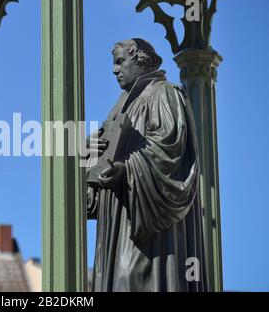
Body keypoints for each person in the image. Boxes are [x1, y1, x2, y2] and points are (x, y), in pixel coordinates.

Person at [86, 38, 208, 291]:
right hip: (118, 224)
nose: (114, 70)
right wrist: (89, 159)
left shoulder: (165, 93)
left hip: (150, 232)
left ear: (140, 60)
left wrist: (126, 168)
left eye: (120, 62)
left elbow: (170, 151)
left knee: (131, 280)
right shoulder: (119, 109)